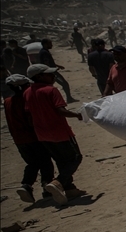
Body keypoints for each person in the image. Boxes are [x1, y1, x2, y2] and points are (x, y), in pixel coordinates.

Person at [23, 64, 84, 205]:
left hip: (42, 134)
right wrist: (77, 115)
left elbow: (29, 115)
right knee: (75, 157)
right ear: (39, 76)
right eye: (49, 74)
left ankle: (69, 188)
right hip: (60, 132)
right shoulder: (51, 90)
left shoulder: (27, 92)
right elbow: (60, 111)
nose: (53, 76)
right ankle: (59, 182)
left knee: (61, 160)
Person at [5, 74, 55, 204]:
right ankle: (47, 187)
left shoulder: (7, 101)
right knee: (45, 161)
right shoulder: (27, 99)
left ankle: (26, 185)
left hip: (19, 139)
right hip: (33, 136)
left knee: (32, 163)